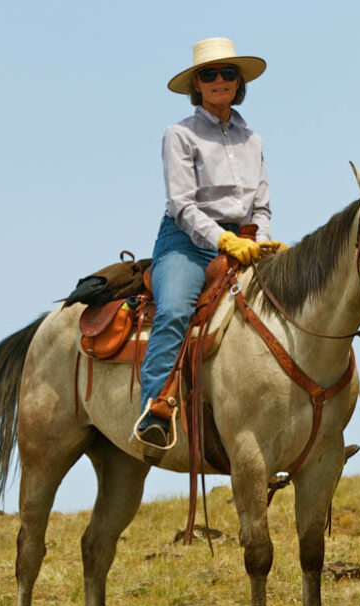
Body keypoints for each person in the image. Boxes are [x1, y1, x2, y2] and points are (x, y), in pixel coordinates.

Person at [135, 37, 284, 447]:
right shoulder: (178, 135)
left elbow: (263, 207)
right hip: (186, 243)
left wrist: (263, 244)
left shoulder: (253, 140)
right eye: (209, 74)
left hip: (245, 242)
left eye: (228, 73)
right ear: (196, 85)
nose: (220, 80)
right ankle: (157, 408)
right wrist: (223, 240)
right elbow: (182, 206)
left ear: (239, 83)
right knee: (175, 309)